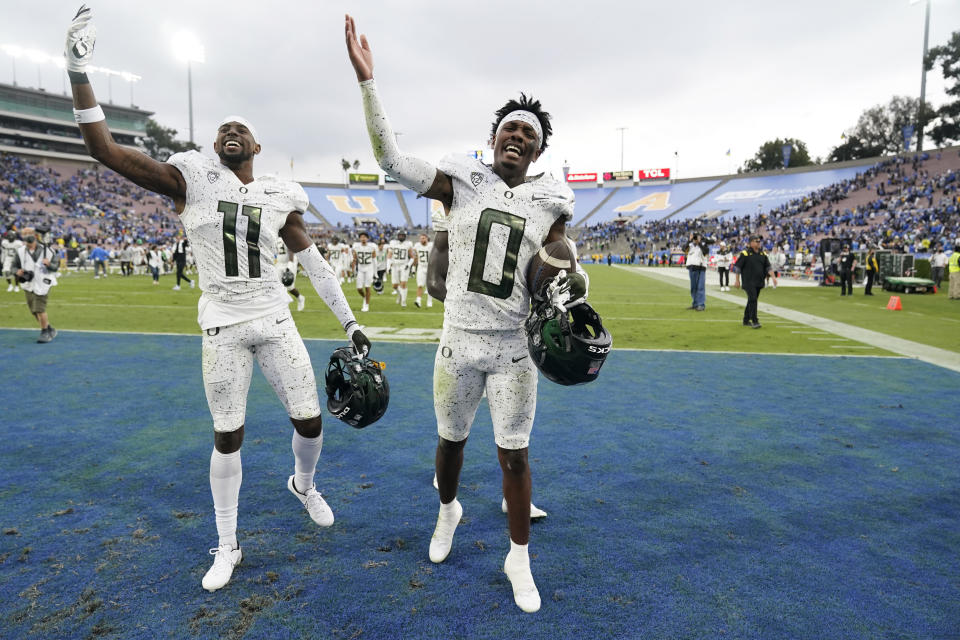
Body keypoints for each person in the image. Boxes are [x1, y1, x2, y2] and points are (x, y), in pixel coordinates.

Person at [67, 6, 371, 593]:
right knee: (226, 433)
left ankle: (303, 486)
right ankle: (227, 542)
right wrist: (80, 70)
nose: (232, 132)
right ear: (214, 144)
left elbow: (313, 263)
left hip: (275, 317)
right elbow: (105, 150)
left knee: (310, 423)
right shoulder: (190, 179)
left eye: (242, 128)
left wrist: (351, 321)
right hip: (223, 324)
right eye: (223, 128)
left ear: (257, 143)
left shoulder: (280, 194)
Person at [347, 14, 587, 613]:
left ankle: (519, 555)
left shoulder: (550, 198)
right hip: (458, 342)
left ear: (538, 149)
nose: (518, 137)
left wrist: (570, 281)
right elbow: (393, 160)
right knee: (450, 444)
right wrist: (368, 84)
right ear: (494, 136)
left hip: (513, 347)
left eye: (528, 135)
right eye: (510, 127)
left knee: (516, 453)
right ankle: (447, 510)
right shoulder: (463, 179)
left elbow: (563, 257)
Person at [12, 227, 59, 343]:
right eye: (24, 233)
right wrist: (16, 271)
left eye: (29, 233)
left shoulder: (47, 250)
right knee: (33, 311)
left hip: (42, 282)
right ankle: (49, 329)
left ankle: (44, 333)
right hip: (28, 283)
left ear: (35, 235)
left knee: (39, 309)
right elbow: (14, 266)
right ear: (22, 236)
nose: (27, 235)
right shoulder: (20, 251)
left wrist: (48, 264)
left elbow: (55, 267)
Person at [732, 235, 775, 329]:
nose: (758, 243)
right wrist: (737, 280)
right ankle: (755, 320)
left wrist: (773, 277)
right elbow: (738, 267)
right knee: (753, 299)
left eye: (759, 241)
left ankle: (746, 320)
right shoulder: (745, 254)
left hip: (759, 281)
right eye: (756, 241)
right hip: (748, 282)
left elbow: (768, 267)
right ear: (751, 243)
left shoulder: (762, 254)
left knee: (752, 300)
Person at [275, 236, 306, 311]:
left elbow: (291, 250)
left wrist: (290, 264)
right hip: (279, 263)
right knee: (278, 285)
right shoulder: (275, 238)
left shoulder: (287, 237)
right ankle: (282, 305)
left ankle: (300, 298)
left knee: (289, 285)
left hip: (289, 263)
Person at [351, 230, 377, 312]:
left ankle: (366, 305)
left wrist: (375, 273)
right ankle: (365, 297)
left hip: (369, 268)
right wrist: (353, 271)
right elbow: (354, 260)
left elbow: (374, 260)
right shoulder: (356, 247)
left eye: (365, 237)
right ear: (359, 238)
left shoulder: (371, 247)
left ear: (367, 238)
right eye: (362, 237)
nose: (363, 238)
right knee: (359, 288)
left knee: (367, 287)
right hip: (361, 269)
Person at [683, 232, 709, 311]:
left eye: (696, 237)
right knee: (693, 288)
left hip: (701, 268)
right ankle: (695, 303)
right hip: (692, 268)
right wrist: (689, 240)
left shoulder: (704, 245)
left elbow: (705, 251)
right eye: (694, 238)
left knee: (700, 287)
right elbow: (684, 249)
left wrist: (699, 243)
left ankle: (701, 304)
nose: (695, 239)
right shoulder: (690, 245)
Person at [387, 230, 413, 306]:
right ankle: (400, 294)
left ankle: (403, 302)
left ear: (405, 236)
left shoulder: (408, 244)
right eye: (400, 235)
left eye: (402, 235)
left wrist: (408, 265)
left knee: (403, 284)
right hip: (395, 265)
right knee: (394, 286)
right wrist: (388, 266)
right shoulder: (393, 243)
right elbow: (389, 256)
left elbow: (412, 257)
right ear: (397, 236)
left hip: (404, 265)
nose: (401, 236)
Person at [412, 232, 433, 308]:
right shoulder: (417, 246)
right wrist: (413, 268)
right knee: (420, 285)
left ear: (427, 239)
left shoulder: (431, 246)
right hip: (421, 267)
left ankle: (429, 301)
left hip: (430, 267)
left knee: (430, 285)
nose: (422, 240)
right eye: (420, 238)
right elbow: (415, 257)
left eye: (423, 238)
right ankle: (418, 300)